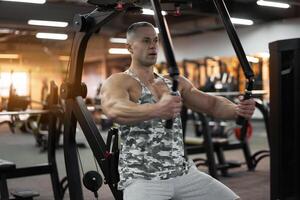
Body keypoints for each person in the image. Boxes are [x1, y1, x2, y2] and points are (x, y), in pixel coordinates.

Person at [100, 22, 255, 200]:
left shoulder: (174, 82)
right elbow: (114, 109)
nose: (152, 45)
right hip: (143, 178)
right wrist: (157, 109)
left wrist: (237, 110)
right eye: (145, 41)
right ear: (129, 47)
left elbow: (212, 104)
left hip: (182, 173)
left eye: (155, 40)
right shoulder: (119, 81)